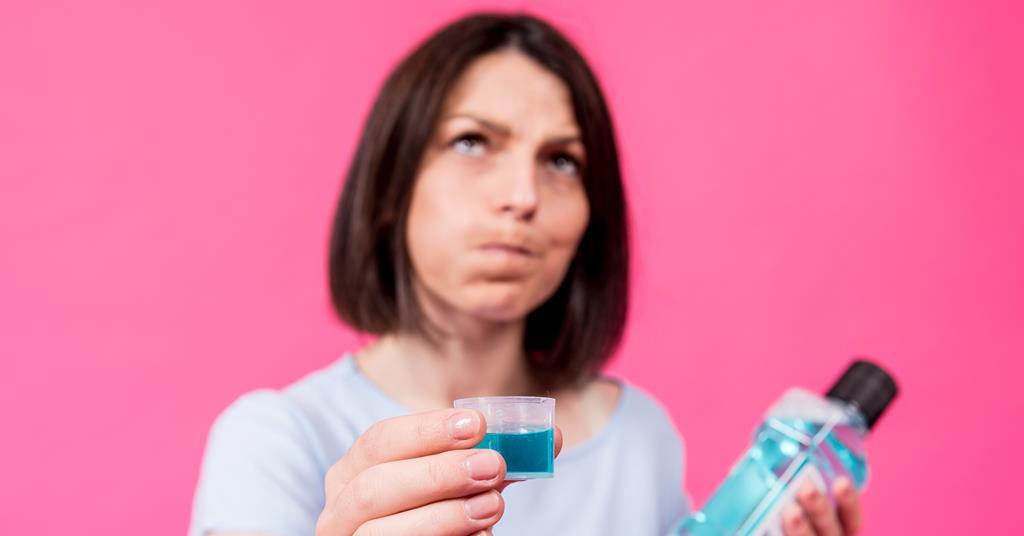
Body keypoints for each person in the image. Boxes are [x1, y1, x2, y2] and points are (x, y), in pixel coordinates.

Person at [189, 12, 863, 536]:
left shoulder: (639, 440)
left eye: (562, 161)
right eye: (473, 142)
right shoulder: (274, 440)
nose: (523, 196)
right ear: (391, 188)